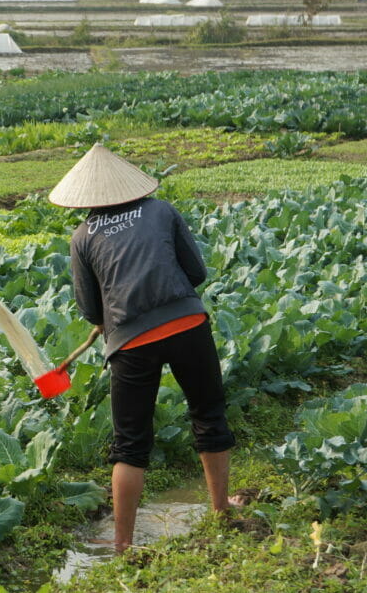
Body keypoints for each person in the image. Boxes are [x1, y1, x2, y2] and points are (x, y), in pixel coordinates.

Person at [49, 142, 238, 554]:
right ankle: (221, 509)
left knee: (131, 442)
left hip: (131, 341)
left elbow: (89, 308)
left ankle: (122, 544)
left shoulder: (82, 237)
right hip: (187, 323)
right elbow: (196, 271)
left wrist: (108, 318)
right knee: (208, 413)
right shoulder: (161, 211)